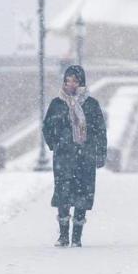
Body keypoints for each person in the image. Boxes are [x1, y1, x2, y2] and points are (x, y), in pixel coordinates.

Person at [42, 65, 107, 247]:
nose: (71, 84)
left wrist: (100, 152)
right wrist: (55, 144)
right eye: (67, 80)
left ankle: (77, 237)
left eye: (75, 81)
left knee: (82, 194)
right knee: (63, 195)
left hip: (85, 156)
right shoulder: (57, 104)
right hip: (64, 158)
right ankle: (63, 236)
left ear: (81, 82)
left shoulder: (91, 104)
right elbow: (47, 126)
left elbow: (100, 130)